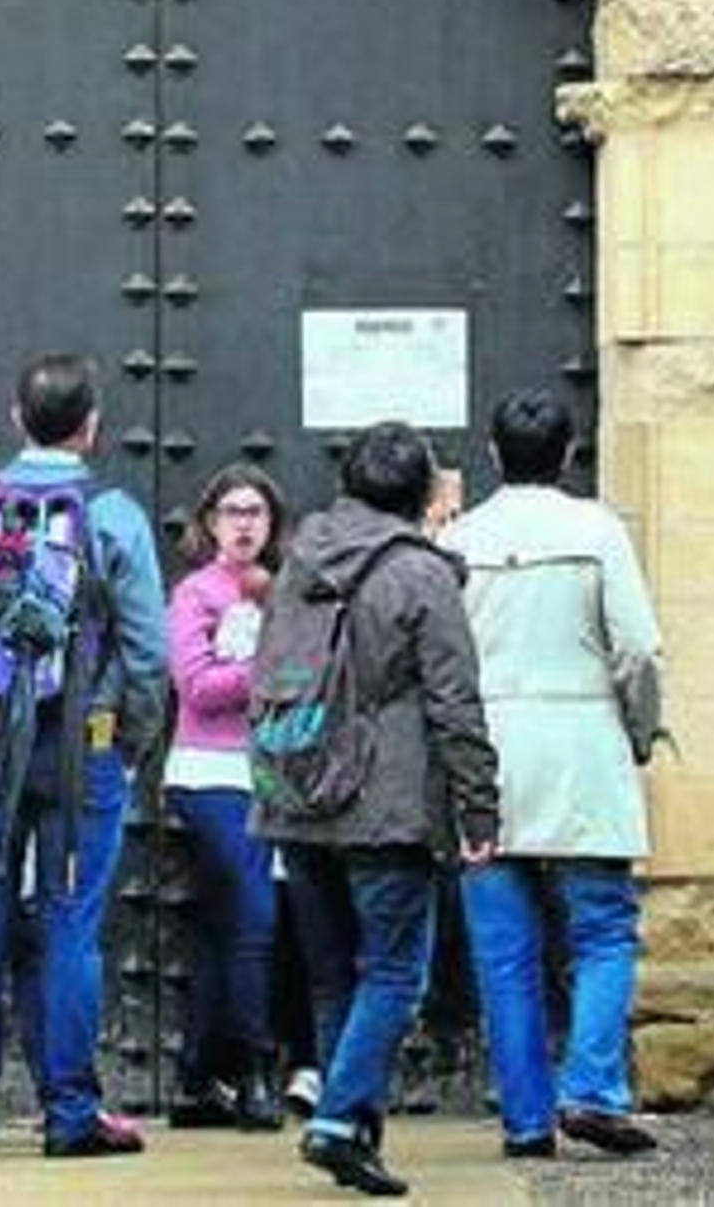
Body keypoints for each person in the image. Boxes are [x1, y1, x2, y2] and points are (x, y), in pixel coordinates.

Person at [0, 353, 168, 1160]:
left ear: (17, 417)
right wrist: (125, 733)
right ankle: (71, 1113)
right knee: (71, 926)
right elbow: (149, 652)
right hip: (83, 747)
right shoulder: (115, 515)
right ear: (93, 425)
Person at [254, 422, 499, 1198]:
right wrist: (478, 807)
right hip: (385, 800)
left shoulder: (301, 556)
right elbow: (455, 701)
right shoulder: (420, 574)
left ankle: (355, 1129)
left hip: (297, 788)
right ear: (425, 492)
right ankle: (336, 1120)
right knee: (395, 970)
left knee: (333, 976)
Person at [443, 389, 663, 1159]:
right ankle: (594, 1089)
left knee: (503, 951)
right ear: (568, 454)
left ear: (495, 454)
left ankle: (527, 1120)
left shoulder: (459, 537)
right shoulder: (596, 529)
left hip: (486, 760)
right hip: (580, 745)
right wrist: (637, 733)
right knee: (603, 929)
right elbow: (635, 648)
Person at [164, 462, 288, 1131]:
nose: (245, 522)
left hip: (273, 775)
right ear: (210, 522)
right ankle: (255, 1070)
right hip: (209, 773)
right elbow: (198, 686)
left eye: (257, 511)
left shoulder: (288, 591)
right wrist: (271, 665)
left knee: (222, 927)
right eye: (232, 510)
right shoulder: (195, 594)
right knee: (254, 919)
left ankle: (194, 1076)